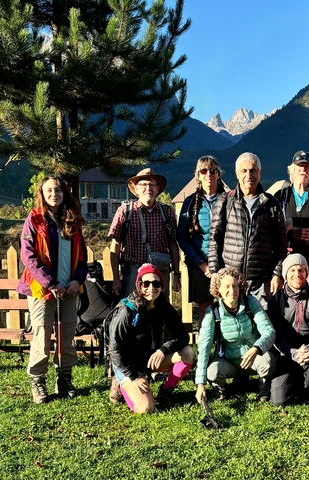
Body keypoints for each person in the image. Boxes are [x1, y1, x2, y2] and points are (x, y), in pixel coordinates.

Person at [18, 176, 88, 404]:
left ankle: (64, 379)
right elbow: (28, 256)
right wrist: (50, 282)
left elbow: (82, 255)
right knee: (42, 337)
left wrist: (77, 280)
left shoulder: (72, 220)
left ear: (64, 193)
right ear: (42, 193)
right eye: (49, 190)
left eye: (58, 190)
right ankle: (38, 382)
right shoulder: (34, 219)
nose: (54, 194)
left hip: (69, 289)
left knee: (67, 336)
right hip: (43, 289)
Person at [108, 264, 195, 414]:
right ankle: (119, 382)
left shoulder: (164, 306)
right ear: (138, 285)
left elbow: (183, 336)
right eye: (146, 283)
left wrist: (164, 349)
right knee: (146, 408)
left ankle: (166, 391)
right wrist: (134, 377)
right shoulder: (126, 311)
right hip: (129, 365)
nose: (151, 288)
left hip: (152, 359)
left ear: (161, 286)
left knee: (188, 353)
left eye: (156, 283)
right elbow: (114, 350)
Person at [209, 153, 288, 309]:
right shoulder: (225, 200)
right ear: (237, 174)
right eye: (244, 171)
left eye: (253, 170)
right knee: (232, 326)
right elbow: (215, 238)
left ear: (260, 173)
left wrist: (277, 274)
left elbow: (280, 243)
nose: (248, 175)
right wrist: (214, 272)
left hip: (260, 279)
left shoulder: (271, 203)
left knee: (261, 324)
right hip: (230, 279)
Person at [195, 267, 277, 403]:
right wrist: (200, 383)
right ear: (218, 290)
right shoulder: (212, 312)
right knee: (213, 371)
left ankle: (264, 386)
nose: (232, 291)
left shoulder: (251, 303)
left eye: (235, 286)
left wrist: (256, 348)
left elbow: (269, 331)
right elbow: (204, 347)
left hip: (254, 358)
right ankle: (220, 388)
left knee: (268, 360)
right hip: (228, 361)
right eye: (226, 287)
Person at [108, 168, 181, 297]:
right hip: (133, 271)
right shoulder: (125, 212)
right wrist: (116, 278)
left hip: (160, 272)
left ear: (157, 189)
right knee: (132, 310)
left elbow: (173, 244)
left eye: (152, 184)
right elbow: (115, 245)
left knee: (159, 312)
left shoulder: (167, 212)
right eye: (143, 184)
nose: (148, 188)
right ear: (136, 189)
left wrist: (176, 274)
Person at [268, 254, 309, 405]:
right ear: (285, 275)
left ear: (306, 273)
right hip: (287, 352)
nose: (297, 275)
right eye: (292, 270)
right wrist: (293, 354)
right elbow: (276, 335)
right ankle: (294, 379)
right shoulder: (276, 300)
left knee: (307, 394)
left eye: (301, 270)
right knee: (279, 401)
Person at [273, 150, 309, 291]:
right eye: (299, 166)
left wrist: (293, 222)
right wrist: (292, 234)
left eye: (307, 166)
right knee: (288, 302)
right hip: (288, 257)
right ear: (292, 169)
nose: (303, 169)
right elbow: (274, 227)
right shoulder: (280, 196)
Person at [178, 155, 226, 315]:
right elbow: (182, 237)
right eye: (204, 171)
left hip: (226, 263)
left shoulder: (229, 200)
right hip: (200, 265)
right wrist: (200, 263)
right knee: (206, 310)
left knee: (229, 306)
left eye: (213, 170)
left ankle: (226, 341)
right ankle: (206, 340)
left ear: (218, 174)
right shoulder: (190, 203)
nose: (208, 174)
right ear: (198, 175)